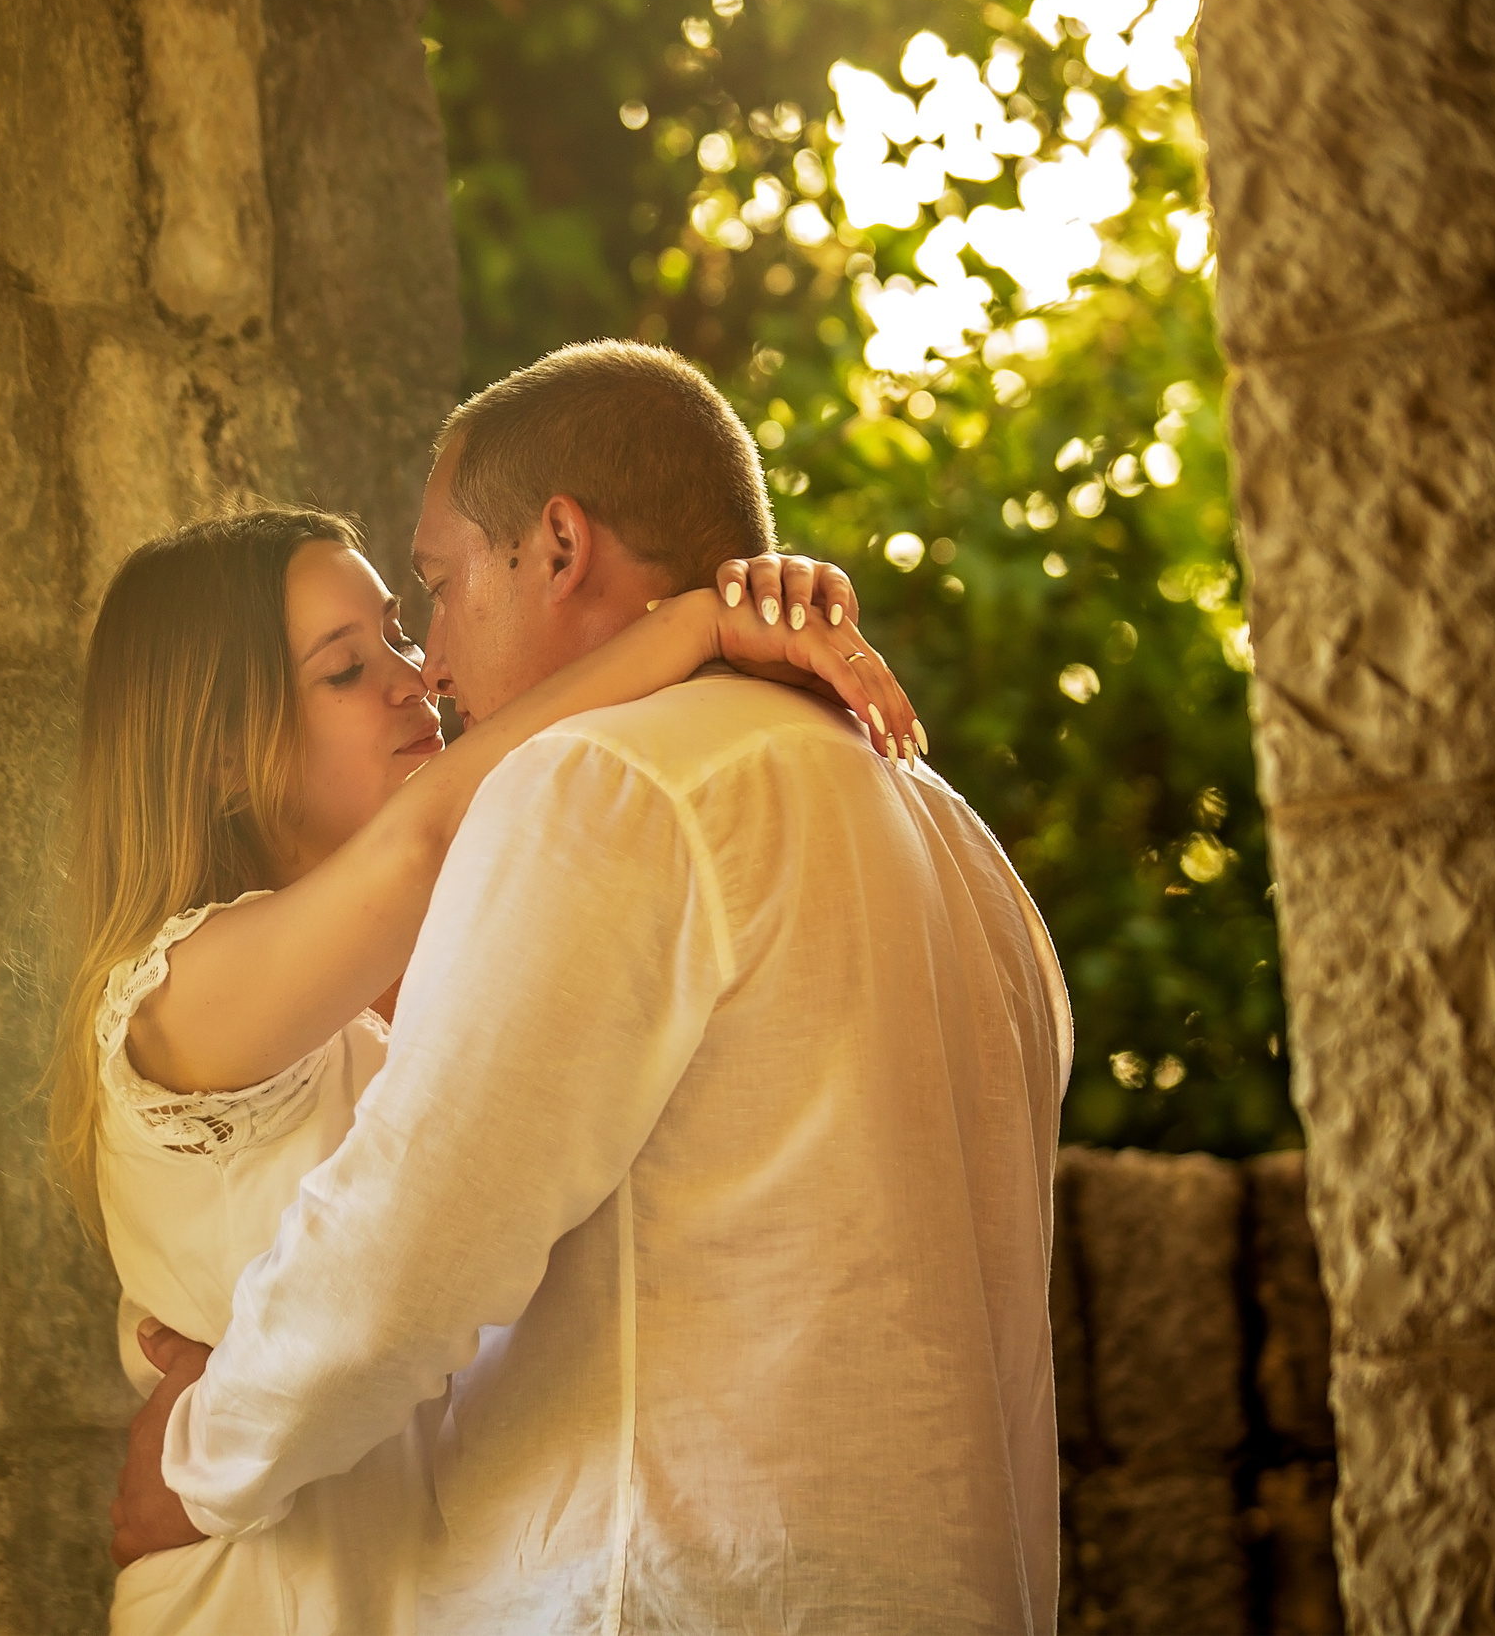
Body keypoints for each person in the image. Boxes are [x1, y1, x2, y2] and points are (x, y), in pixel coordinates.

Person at [110, 340, 1073, 1634]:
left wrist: (197, 1454)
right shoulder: (967, 849)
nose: (433, 664)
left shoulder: (596, 785)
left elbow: (413, 1247)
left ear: (557, 546)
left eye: (439, 590)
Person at [53, 495, 914, 1634]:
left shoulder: (451, 960)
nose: (416, 679)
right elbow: (424, 842)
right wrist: (693, 627)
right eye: (345, 670)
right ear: (220, 756)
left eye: (401, 638)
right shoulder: (169, 997)